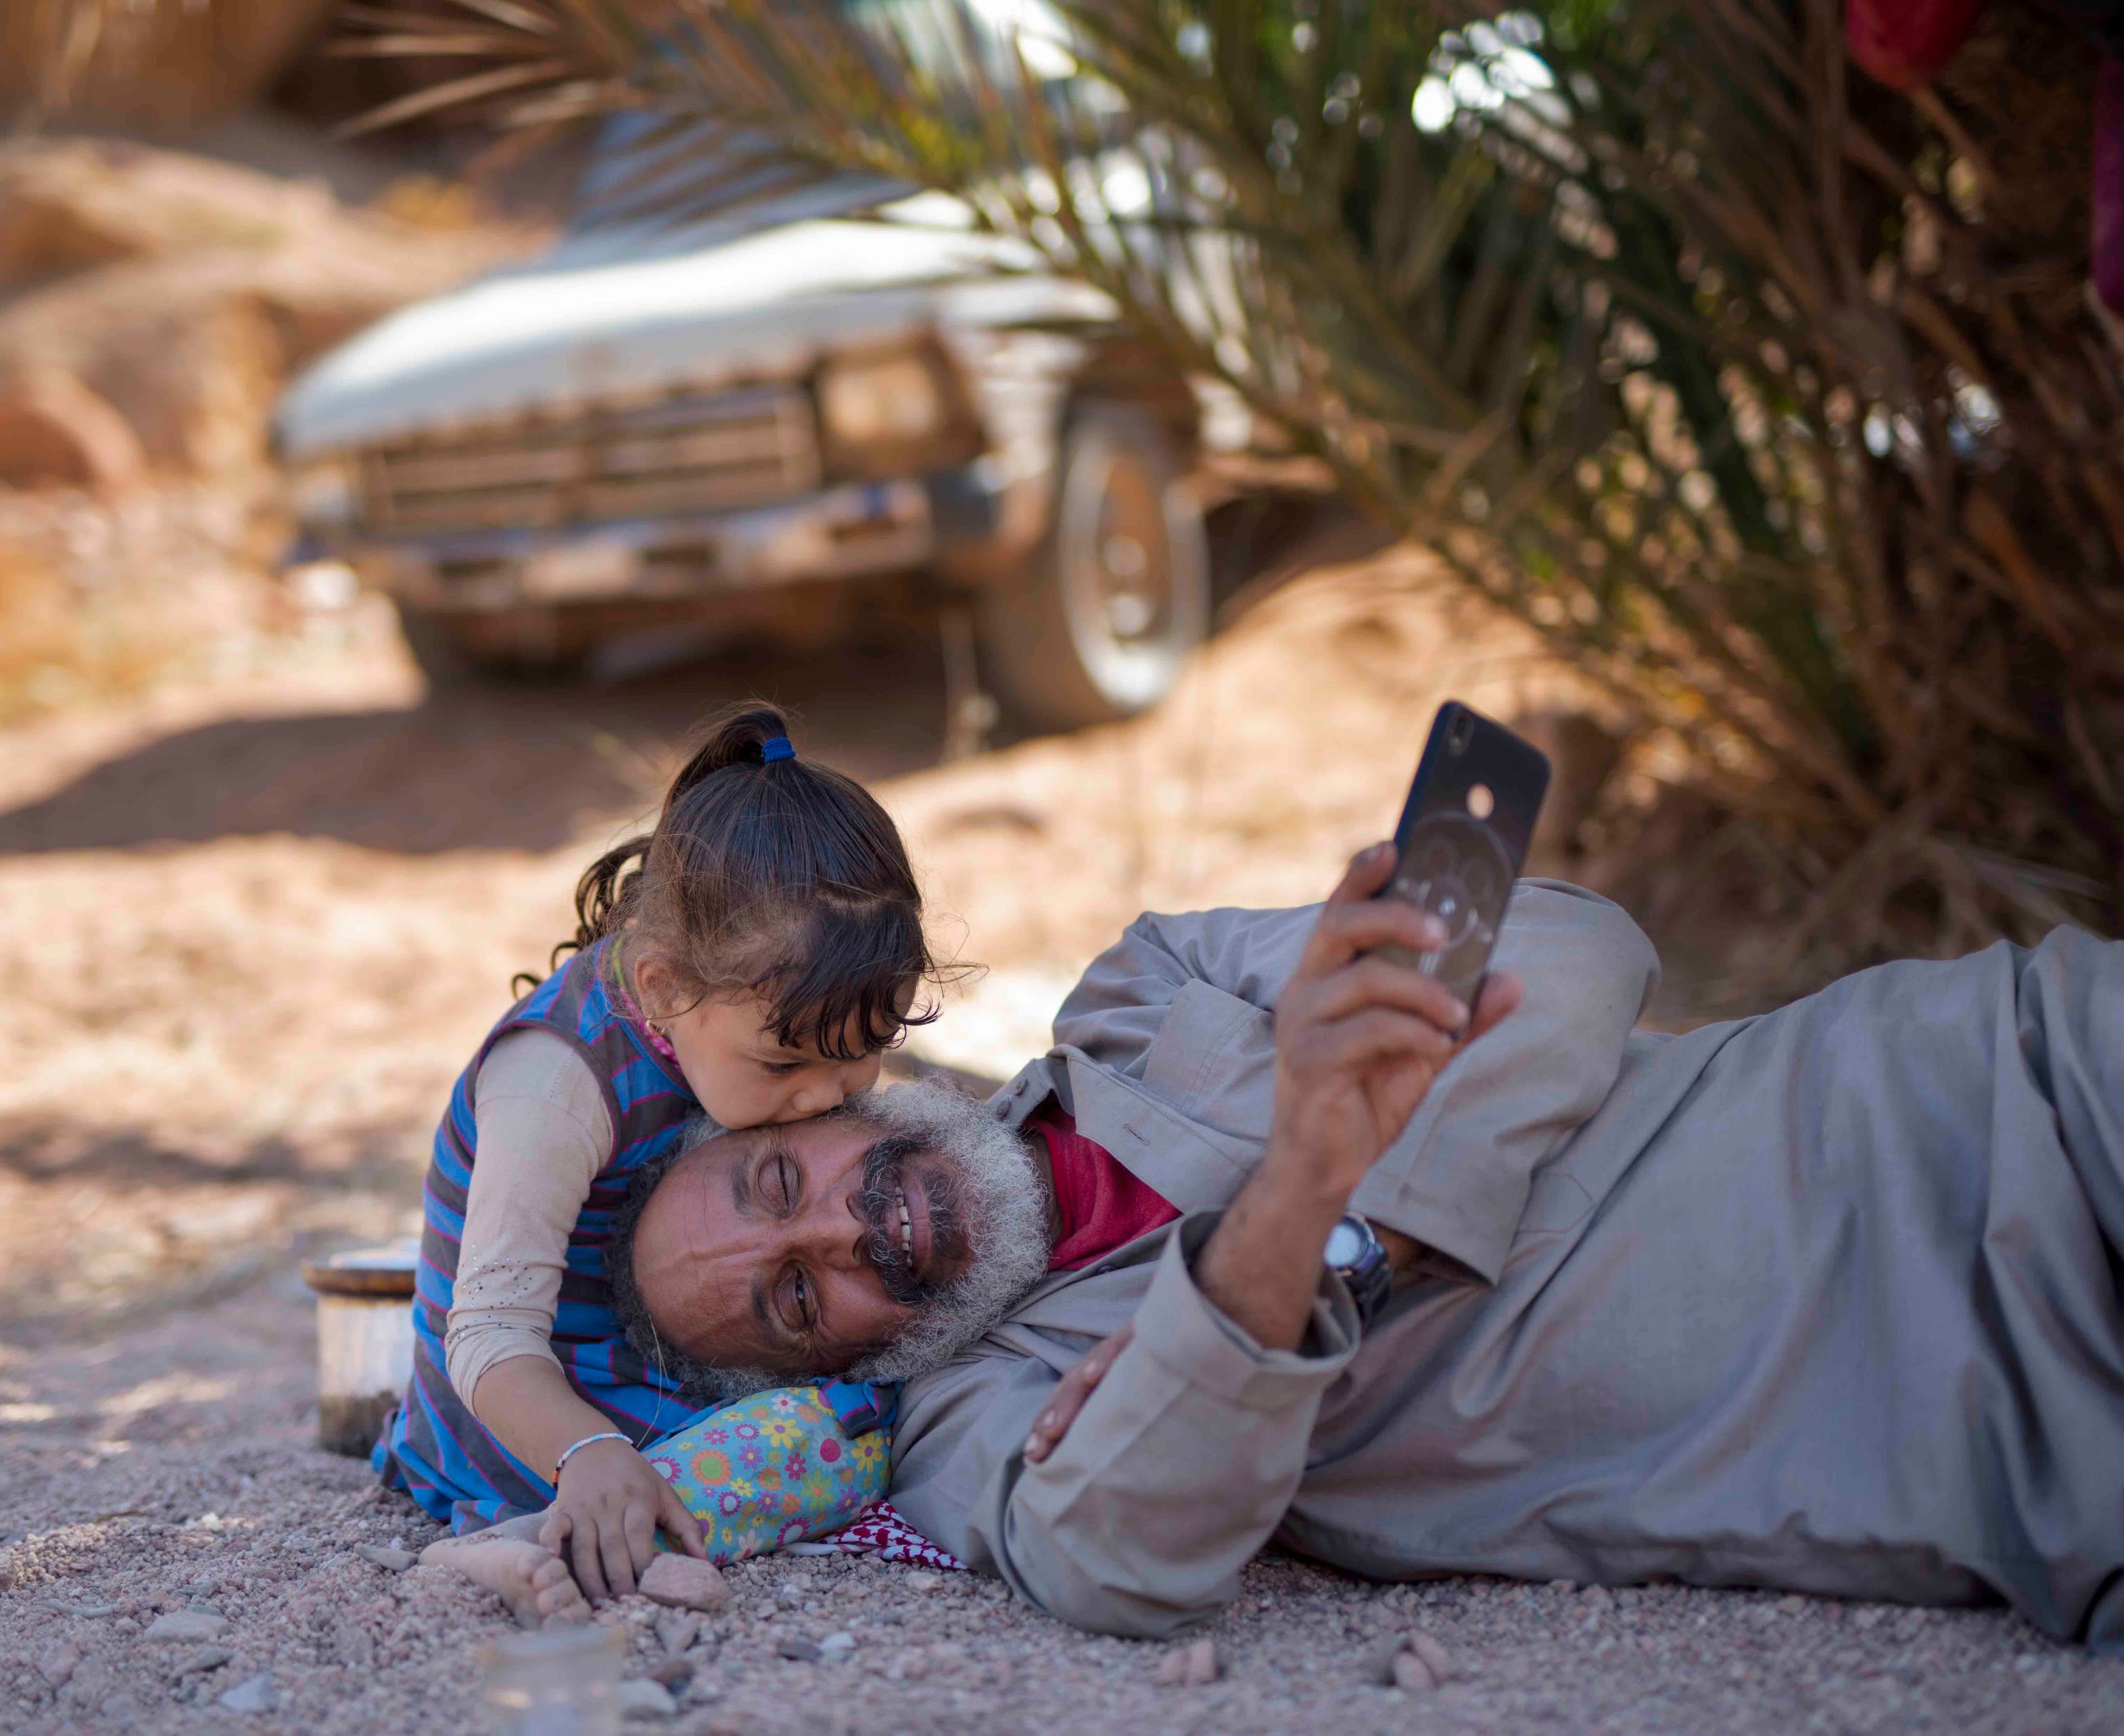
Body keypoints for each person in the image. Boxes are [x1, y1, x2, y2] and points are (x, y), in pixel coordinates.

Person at [606, 847, 2124, 1651]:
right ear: (834, 1366)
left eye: (783, 1181)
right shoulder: (972, 1421)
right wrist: (1302, 1180)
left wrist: (1349, 1229)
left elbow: (1569, 942)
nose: (842, 1226)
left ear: (834, 1095)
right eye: (800, 1297)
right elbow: (1124, 1553)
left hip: (2009, 1078)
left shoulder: (1146, 984)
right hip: (2006, 1426)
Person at [383, 701, 948, 1605]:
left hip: (663, 1366)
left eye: (865, 1048)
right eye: (789, 1061)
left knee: (901, 1401)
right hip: (534, 1409)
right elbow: (488, 1337)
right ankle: (523, 1543)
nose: (825, 1097)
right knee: (840, 1438)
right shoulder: (556, 1082)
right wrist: (587, 1452)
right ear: (665, 986)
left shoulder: (743, 1023)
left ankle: (608, 1523)